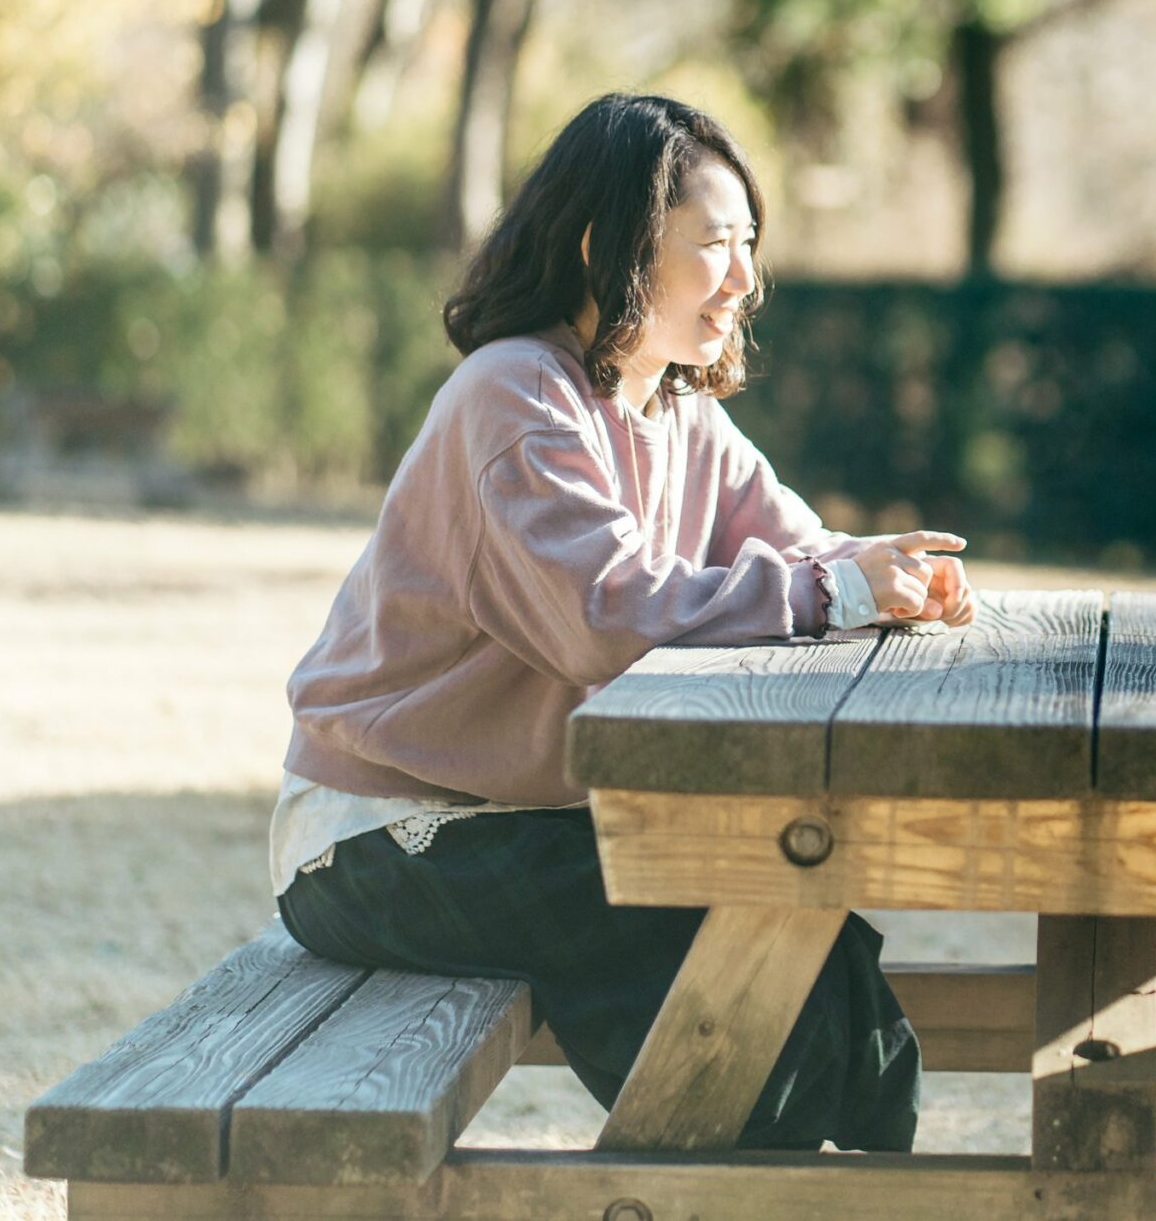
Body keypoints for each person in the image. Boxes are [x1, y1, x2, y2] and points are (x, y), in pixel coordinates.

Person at [271, 92, 970, 1151]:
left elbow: (792, 546)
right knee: (709, 938)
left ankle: (854, 1180)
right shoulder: (514, 396)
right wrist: (835, 592)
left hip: (524, 822)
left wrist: (887, 573)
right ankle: (729, 1183)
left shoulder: (679, 409)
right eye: (714, 247)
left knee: (806, 922)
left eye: (749, 246)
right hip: (383, 841)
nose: (742, 280)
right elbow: (607, 613)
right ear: (609, 245)